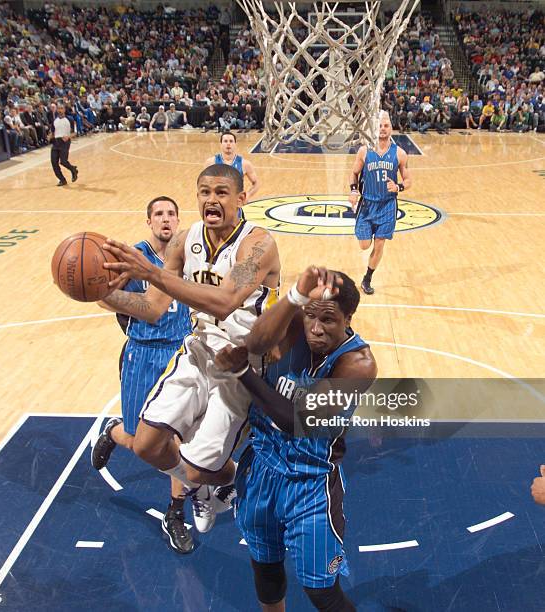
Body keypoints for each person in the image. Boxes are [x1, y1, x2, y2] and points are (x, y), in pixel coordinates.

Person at [100, 164, 280, 533]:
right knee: (147, 445)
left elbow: (226, 300)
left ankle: (219, 479)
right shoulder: (184, 241)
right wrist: (100, 294)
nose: (211, 199)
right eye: (204, 192)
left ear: (241, 199)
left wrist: (151, 272)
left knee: (199, 468)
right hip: (198, 351)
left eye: (221, 192)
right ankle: (206, 485)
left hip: (243, 366)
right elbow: (151, 307)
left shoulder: (258, 245)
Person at [214, 267, 377, 612]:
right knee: (266, 567)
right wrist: (294, 297)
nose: (316, 329)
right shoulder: (292, 328)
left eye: (329, 320)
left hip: (311, 483)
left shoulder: (357, 364)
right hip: (260, 469)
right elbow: (256, 343)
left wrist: (242, 372)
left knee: (321, 592)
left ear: (348, 317)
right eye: (310, 316)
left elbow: (295, 420)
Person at [92, 196, 194, 554]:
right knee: (139, 443)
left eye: (171, 214)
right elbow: (106, 298)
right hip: (144, 356)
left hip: (181, 355)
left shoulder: (188, 252)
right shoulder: (132, 257)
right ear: (149, 221)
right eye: (158, 214)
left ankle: (175, 514)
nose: (165, 219)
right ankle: (115, 432)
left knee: (176, 441)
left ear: (178, 220)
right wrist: (100, 290)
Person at [348, 111, 412, 295]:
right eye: (379, 126)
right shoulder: (364, 151)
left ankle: (367, 278)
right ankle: (367, 265)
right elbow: (354, 173)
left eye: (386, 126)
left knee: (380, 244)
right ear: (374, 129)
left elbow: (408, 181)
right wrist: (353, 190)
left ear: (391, 128)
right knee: (364, 244)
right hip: (367, 204)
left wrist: (399, 187)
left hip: (388, 206)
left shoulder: (400, 154)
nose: (382, 129)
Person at [204, 132, 260, 206]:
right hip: (217, 204)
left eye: (231, 141)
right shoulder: (211, 162)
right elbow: (204, 184)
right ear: (221, 144)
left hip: (235, 205)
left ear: (235, 144)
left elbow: (256, 183)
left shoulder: (244, 164)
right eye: (225, 141)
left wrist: (248, 195)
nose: (228, 144)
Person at [51, 104, 78, 187]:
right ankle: (62, 180)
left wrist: (68, 136)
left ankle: (73, 169)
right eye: (58, 108)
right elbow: (52, 132)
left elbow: (75, 132)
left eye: (61, 108)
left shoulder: (69, 119)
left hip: (65, 142)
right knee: (54, 162)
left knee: (63, 161)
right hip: (56, 142)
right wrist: (49, 136)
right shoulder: (55, 120)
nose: (60, 110)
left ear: (64, 110)